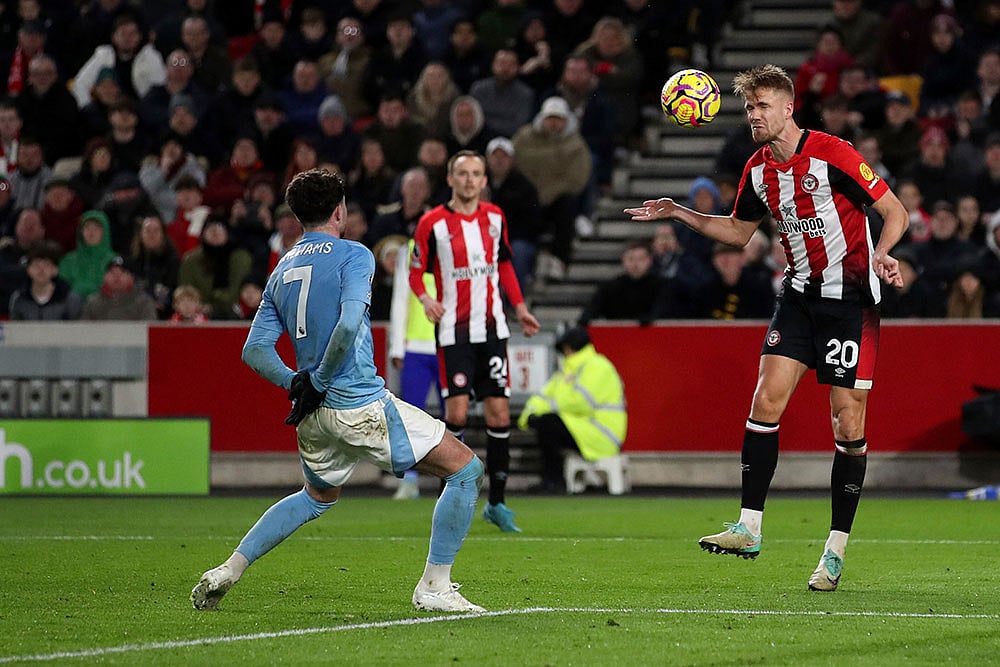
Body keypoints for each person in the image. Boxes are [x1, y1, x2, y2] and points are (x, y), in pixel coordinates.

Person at [626, 64, 910, 592]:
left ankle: (834, 551)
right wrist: (677, 213)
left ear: (787, 107)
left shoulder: (835, 154)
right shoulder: (757, 170)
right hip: (799, 298)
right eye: (748, 108)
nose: (753, 116)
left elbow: (894, 210)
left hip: (850, 303)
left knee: (848, 427)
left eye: (761, 106)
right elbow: (737, 232)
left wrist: (885, 254)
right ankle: (749, 528)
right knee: (764, 402)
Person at [191, 168, 487, 614]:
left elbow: (253, 350)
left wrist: (298, 383)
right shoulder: (354, 255)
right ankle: (434, 586)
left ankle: (229, 569)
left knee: (314, 498)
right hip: (359, 403)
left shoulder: (282, 268)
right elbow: (349, 324)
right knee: (465, 470)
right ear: (339, 211)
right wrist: (321, 379)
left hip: (312, 414)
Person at [409, 150, 540, 533]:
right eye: (462, 173)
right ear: (450, 178)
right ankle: (446, 499)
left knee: (500, 414)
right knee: (459, 415)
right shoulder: (432, 223)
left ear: (484, 180)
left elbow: (503, 265)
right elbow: (416, 271)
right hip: (454, 333)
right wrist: (426, 298)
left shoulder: (495, 217)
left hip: (493, 329)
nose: (469, 180)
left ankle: (497, 503)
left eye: (476, 174)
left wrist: (520, 307)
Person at [517, 326, 626, 493]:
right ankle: (552, 480)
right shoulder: (567, 371)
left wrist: (541, 413)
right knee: (546, 423)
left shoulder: (598, 366)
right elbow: (541, 397)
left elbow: (581, 402)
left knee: (549, 423)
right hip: (584, 429)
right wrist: (529, 416)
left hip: (602, 434)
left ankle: (554, 481)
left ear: (569, 348)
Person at [8, 239, 81, 321]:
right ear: (28, 269)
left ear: (55, 270)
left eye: (46, 265)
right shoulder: (19, 298)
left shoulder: (69, 298)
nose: (41, 270)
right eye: (36, 265)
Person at [80, 254, 159, 321]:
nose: (116, 276)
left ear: (131, 277)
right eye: (111, 272)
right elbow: (83, 331)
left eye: (123, 272)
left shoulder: (144, 303)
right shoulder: (92, 303)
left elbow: (148, 331)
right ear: (104, 277)